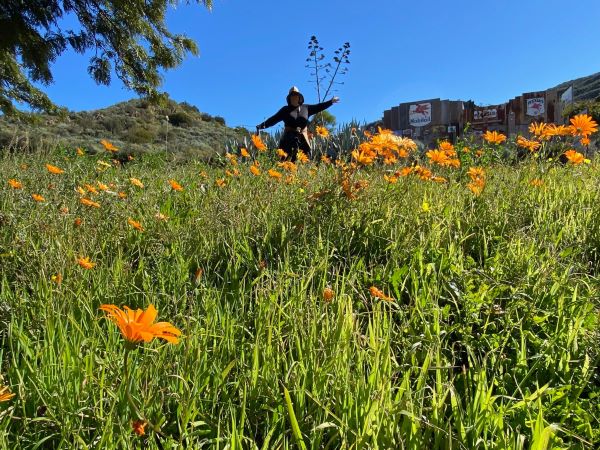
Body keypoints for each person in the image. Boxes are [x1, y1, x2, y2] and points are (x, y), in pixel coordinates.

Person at [256, 86, 340, 161]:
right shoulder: (285, 110)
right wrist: (261, 126)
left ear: (299, 97)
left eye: (295, 95)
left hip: (303, 140)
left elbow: (319, 107)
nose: (294, 97)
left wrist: (330, 102)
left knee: (303, 160)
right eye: (292, 95)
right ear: (289, 98)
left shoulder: (306, 108)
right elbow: (273, 119)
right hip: (288, 140)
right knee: (286, 161)